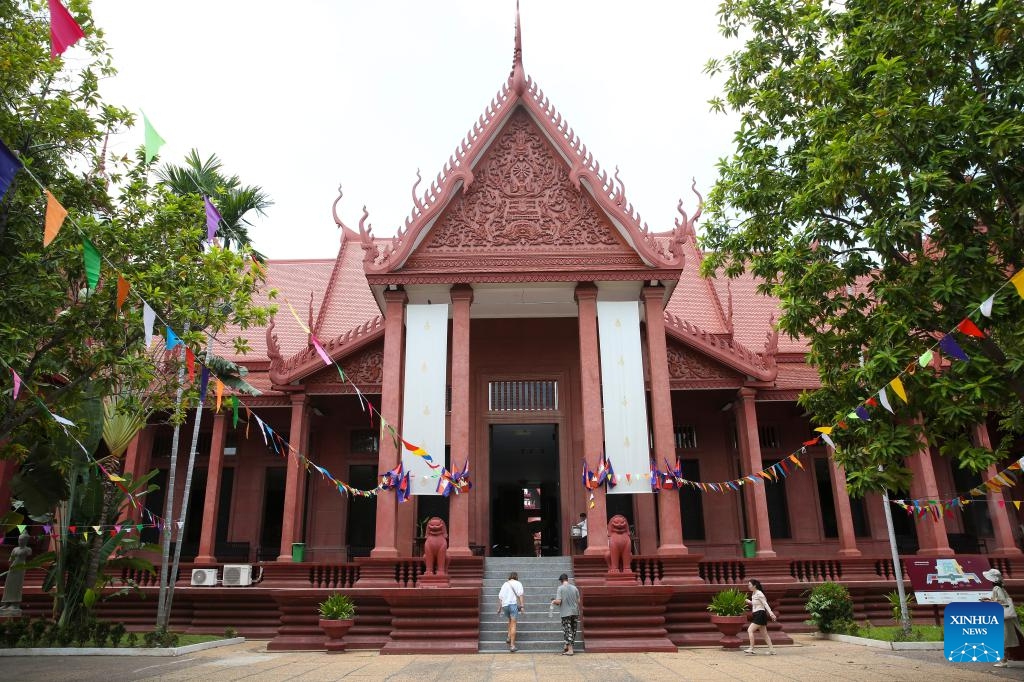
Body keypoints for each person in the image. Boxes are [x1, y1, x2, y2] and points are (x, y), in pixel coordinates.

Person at [982, 568, 1019, 667]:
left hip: (1003, 617)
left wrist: (988, 602)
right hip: (1005, 617)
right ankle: (1005, 660)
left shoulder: (997, 588)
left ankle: (1004, 661)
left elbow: (1002, 601)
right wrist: (989, 599)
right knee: (1005, 638)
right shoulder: (1001, 588)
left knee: (1002, 638)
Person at [551, 572, 581, 655]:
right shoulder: (575, 588)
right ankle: (566, 646)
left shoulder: (560, 588)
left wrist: (553, 601)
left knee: (567, 630)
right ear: (567, 579)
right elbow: (578, 601)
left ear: (561, 581)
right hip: (575, 611)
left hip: (565, 613)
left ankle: (570, 650)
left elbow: (559, 601)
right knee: (573, 630)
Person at [744, 578, 776, 655]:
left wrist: (771, 613)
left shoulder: (759, 593)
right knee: (764, 634)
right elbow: (756, 603)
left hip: (760, 614)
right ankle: (772, 650)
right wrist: (749, 602)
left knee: (750, 630)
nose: (748, 586)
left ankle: (751, 648)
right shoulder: (754, 594)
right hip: (757, 614)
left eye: (749, 585)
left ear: (754, 586)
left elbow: (765, 604)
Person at [497, 570, 525, 652]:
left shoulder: (505, 584)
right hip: (513, 605)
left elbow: (500, 597)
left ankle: (508, 637)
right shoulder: (518, 583)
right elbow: (520, 595)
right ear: (516, 577)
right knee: (513, 624)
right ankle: (512, 646)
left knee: (509, 621)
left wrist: (499, 608)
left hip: (505, 606)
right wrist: (522, 606)